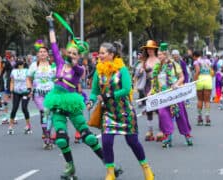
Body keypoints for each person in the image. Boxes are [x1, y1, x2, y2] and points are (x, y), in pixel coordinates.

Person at [45, 14, 113, 179]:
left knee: (88, 137)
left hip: (71, 101)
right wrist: (51, 24)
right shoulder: (60, 63)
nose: (70, 55)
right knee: (61, 138)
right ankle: (70, 167)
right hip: (56, 100)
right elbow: (53, 44)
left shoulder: (79, 69)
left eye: (74, 53)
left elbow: (77, 69)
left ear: (79, 56)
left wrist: (74, 60)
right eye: (69, 52)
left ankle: (109, 165)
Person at [87, 42, 154, 180]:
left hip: (124, 111)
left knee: (133, 142)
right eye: (99, 53)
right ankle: (110, 172)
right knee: (106, 142)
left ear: (111, 55)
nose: (100, 55)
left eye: (103, 53)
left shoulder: (122, 69)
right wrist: (90, 101)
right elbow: (94, 91)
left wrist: (110, 95)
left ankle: (146, 169)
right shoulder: (98, 71)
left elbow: (127, 89)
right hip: (108, 112)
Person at [150, 43, 192, 147]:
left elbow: (182, 77)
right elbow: (154, 81)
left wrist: (176, 84)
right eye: (158, 55)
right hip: (162, 95)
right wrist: (151, 91)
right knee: (163, 114)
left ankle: (187, 135)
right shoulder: (157, 67)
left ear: (166, 55)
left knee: (181, 115)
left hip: (174, 94)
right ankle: (168, 136)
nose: (159, 57)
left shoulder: (174, 64)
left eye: (160, 54)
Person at [28, 39, 56, 149]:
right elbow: (28, 78)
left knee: (50, 115)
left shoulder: (53, 66)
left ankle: (47, 134)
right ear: (38, 54)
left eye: (44, 51)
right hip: (38, 94)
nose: (42, 53)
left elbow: (58, 79)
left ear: (47, 54)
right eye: (40, 52)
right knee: (44, 112)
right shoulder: (34, 66)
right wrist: (29, 88)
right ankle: (47, 138)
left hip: (51, 93)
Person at [141, 40, 160, 141]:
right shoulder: (145, 60)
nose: (149, 50)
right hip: (147, 85)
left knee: (159, 108)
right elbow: (140, 73)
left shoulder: (159, 60)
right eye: (148, 49)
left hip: (157, 85)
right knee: (149, 108)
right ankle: (150, 130)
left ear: (155, 49)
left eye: (151, 49)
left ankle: (161, 130)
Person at [7, 58, 32, 134]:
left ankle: (28, 126)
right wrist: (11, 91)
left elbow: (29, 80)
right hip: (16, 92)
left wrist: (30, 90)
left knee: (24, 108)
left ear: (24, 63)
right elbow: (12, 82)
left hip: (25, 91)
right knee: (14, 108)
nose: (20, 62)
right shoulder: (13, 71)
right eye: (18, 61)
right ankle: (10, 127)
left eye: (21, 61)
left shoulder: (27, 71)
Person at [193, 51, 213, 126]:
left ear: (195, 56)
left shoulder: (196, 62)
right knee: (207, 100)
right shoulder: (208, 61)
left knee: (200, 100)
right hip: (208, 79)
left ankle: (200, 117)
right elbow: (211, 71)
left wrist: (194, 80)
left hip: (200, 80)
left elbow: (197, 71)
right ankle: (207, 117)